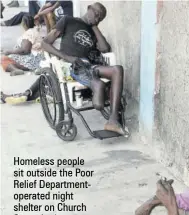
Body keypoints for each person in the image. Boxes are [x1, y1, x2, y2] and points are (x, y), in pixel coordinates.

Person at [2, 3, 127, 136]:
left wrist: (94, 26)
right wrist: (67, 57)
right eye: (96, 13)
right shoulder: (68, 20)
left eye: (100, 18)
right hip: (72, 66)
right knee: (88, 73)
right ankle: (97, 85)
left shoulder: (93, 30)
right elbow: (45, 43)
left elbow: (105, 48)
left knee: (117, 69)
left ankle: (112, 120)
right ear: (89, 8)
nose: (97, 17)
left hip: (90, 66)